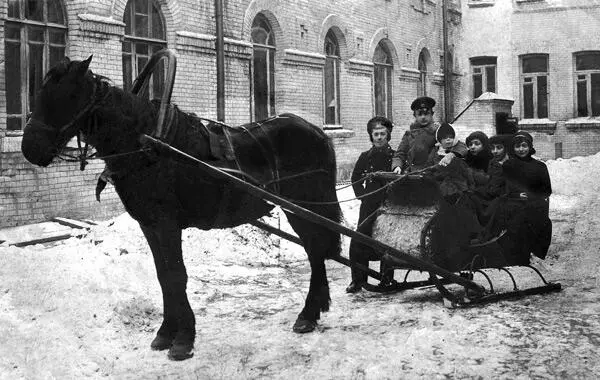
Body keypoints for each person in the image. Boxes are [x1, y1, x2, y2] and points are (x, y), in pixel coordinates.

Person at [346, 116, 395, 293]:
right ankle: (357, 280)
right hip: (369, 204)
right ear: (371, 136)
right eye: (376, 134)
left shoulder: (395, 157)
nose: (380, 137)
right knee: (359, 239)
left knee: (387, 241)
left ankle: (387, 278)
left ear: (388, 135)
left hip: (390, 206)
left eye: (383, 133)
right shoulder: (365, 157)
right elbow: (355, 179)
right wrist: (363, 196)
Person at [493, 131, 552, 264]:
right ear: (513, 149)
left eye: (524, 146)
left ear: (530, 147)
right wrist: (516, 195)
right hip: (514, 203)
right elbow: (505, 187)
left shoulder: (540, 166)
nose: (521, 149)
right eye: (517, 146)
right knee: (517, 221)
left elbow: (547, 189)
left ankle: (534, 254)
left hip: (535, 203)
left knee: (541, 222)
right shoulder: (509, 166)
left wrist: (532, 196)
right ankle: (518, 256)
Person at [392, 97, 466, 174]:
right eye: (420, 114)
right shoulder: (409, 134)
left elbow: (461, 146)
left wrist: (451, 155)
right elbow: (400, 154)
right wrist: (397, 166)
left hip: (434, 174)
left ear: (432, 114)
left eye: (426, 113)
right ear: (415, 116)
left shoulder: (440, 130)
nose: (423, 117)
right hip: (413, 174)